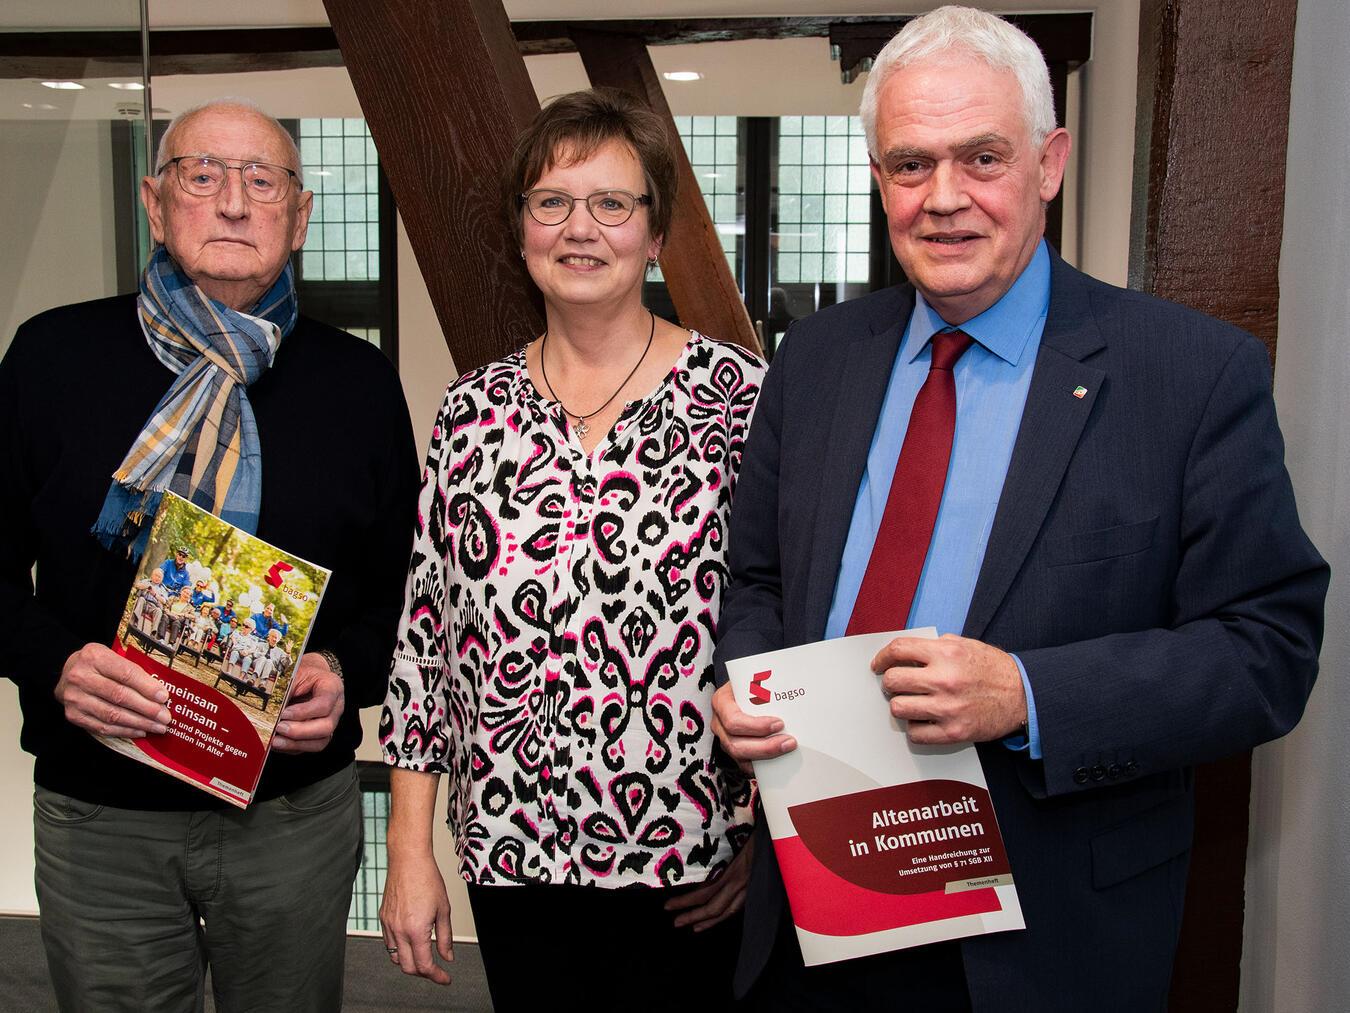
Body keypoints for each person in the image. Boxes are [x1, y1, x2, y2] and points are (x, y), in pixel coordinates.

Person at [710, 8, 1328, 1011]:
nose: (944, 199)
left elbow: (1267, 647)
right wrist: (741, 684)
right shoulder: (814, 362)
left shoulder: (1188, 374)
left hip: (1043, 942)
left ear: (1049, 162)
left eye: (982, 157)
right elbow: (760, 582)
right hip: (816, 902)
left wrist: (1030, 695)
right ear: (877, 180)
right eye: (910, 165)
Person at [0, 98, 418, 1012]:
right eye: (203, 175)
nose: (233, 202)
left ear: (299, 217)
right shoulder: (50, 358)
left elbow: (408, 599)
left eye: (262, 180)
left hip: (291, 814)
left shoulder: (357, 384)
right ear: (156, 203)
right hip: (98, 811)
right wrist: (55, 663)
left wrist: (349, 673)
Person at [378, 88, 766, 1011]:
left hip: (686, 867)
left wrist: (769, 844)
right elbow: (426, 644)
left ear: (656, 233)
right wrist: (408, 854)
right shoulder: (473, 412)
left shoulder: (740, 398)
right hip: (514, 861)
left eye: (612, 203)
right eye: (551, 202)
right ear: (522, 233)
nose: (579, 227)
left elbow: (787, 617)